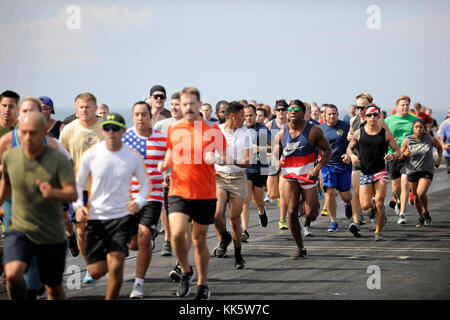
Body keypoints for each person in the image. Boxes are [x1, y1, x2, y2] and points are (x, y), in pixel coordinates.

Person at [158, 87, 227, 300]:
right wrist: (165, 163)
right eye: (184, 104)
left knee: (199, 240)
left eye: (192, 104)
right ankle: (186, 270)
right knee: (177, 234)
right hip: (179, 190)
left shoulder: (212, 129)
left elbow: (223, 155)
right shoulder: (174, 129)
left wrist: (215, 159)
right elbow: (171, 151)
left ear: (199, 105)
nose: (188, 107)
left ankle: (202, 284)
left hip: (205, 193)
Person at [0, 112, 77, 300]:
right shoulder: (11, 157)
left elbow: (72, 193)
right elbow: (6, 186)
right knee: (12, 275)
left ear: (44, 131)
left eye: (32, 132)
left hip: (50, 231)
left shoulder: (58, 158)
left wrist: (53, 192)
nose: (27, 137)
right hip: (20, 227)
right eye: (23, 132)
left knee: (53, 288)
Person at [74, 113, 150, 300]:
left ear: (123, 131)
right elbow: (77, 183)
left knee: (116, 266)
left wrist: (139, 202)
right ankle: (108, 256)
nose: (111, 132)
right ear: (102, 130)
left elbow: (145, 183)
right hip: (97, 218)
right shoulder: (91, 154)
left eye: (115, 128)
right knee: (96, 272)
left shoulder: (132, 156)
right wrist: (78, 206)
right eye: (107, 128)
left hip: (121, 217)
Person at [272, 100, 332, 258]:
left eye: (295, 109)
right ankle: (300, 248)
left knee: (311, 214)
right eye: (289, 109)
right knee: (291, 212)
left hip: (308, 174)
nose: (291, 112)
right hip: (289, 176)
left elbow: (328, 152)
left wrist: (316, 169)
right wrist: (276, 161)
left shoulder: (314, 131)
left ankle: (306, 207)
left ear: (303, 113)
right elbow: (274, 152)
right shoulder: (281, 132)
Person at [122, 102, 167, 299]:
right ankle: (147, 235)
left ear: (151, 117)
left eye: (144, 114)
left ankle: (138, 284)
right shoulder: (126, 138)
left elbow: (172, 163)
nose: (140, 118)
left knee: (144, 237)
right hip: (130, 196)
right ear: (133, 117)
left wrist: (169, 174)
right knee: (133, 244)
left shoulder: (162, 139)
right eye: (137, 115)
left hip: (153, 195)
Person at [59, 92, 104, 283]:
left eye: (88, 107)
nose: (85, 110)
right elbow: (61, 159)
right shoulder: (68, 130)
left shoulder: (105, 127)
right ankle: (89, 268)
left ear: (95, 108)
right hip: (79, 189)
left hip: (103, 188)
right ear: (76, 109)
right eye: (81, 107)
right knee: (81, 230)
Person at [347, 105, 401, 240]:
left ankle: (378, 232)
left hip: (380, 171)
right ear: (365, 117)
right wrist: (352, 156)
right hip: (365, 172)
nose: (372, 118)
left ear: (379, 117)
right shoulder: (359, 133)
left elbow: (397, 151)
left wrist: (392, 156)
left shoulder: (385, 133)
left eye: (375, 115)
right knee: (365, 205)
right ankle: (376, 211)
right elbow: (349, 148)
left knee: (379, 201)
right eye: (370, 115)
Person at [213, 101, 251, 270]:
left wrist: (233, 161)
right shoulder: (215, 131)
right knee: (216, 214)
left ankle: (238, 254)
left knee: (235, 219)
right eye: (242, 116)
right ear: (232, 116)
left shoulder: (246, 134)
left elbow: (249, 162)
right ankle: (224, 237)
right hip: (218, 177)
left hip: (237, 178)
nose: (245, 119)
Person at [154, 92, 182, 258]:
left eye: (177, 105)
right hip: (167, 175)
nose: (173, 107)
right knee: (166, 208)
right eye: (172, 104)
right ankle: (167, 239)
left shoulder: (192, 126)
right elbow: (156, 150)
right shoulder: (161, 125)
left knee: (181, 213)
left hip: (187, 177)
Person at [400, 119, 442, 227]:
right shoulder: (407, 140)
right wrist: (405, 154)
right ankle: (421, 217)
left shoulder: (430, 138)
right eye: (416, 127)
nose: (418, 129)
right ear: (413, 129)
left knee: (421, 193)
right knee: (415, 196)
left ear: (424, 129)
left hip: (426, 170)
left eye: (421, 127)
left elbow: (439, 147)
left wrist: (439, 160)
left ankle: (426, 211)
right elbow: (400, 157)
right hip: (412, 171)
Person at [319, 104, 353, 233]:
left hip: (344, 165)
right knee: (330, 193)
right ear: (325, 115)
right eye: (329, 114)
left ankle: (348, 204)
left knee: (345, 195)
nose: (332, 116)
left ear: (337, 114)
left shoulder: (345, 126)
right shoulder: (320, 129)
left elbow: (354, 142)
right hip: (327, 165)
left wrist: (349, 154)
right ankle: (333, 222)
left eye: (334, 113)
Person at [385, 96, 418, 224]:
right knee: (396, 185)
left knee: (405, 183)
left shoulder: (415, 120)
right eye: (402, 105)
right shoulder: (388, 120)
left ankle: (402, 214)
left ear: (409, 106)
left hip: (408, 156)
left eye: (406, 105)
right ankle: (398, 200)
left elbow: (421, 136)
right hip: (392, 155)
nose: (404, 107)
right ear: (397, 106)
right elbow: (382, 136)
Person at [241, 104, 271, 242]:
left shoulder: (262, 129)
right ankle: (244, 230)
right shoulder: (239, 130)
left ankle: (261, 211)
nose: (248, 118)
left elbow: (271, 147)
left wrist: (258, 148)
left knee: (258, 201)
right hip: (245, 169)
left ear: (255, 115)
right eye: (246, 116)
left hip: (259, 168)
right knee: (245, 201)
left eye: (250, 115)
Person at [266, 100, 289, 230]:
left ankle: (282, 220)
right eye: (279, 110)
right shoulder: (269, 125)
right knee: (273, 194)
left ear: (287, 111)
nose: (281, 112)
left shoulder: (292, 125)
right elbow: (263, 146)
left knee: (283, 192)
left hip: (288, 163)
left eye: (283, 109)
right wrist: (271, 155)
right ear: (275, 111)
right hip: (273, 162)